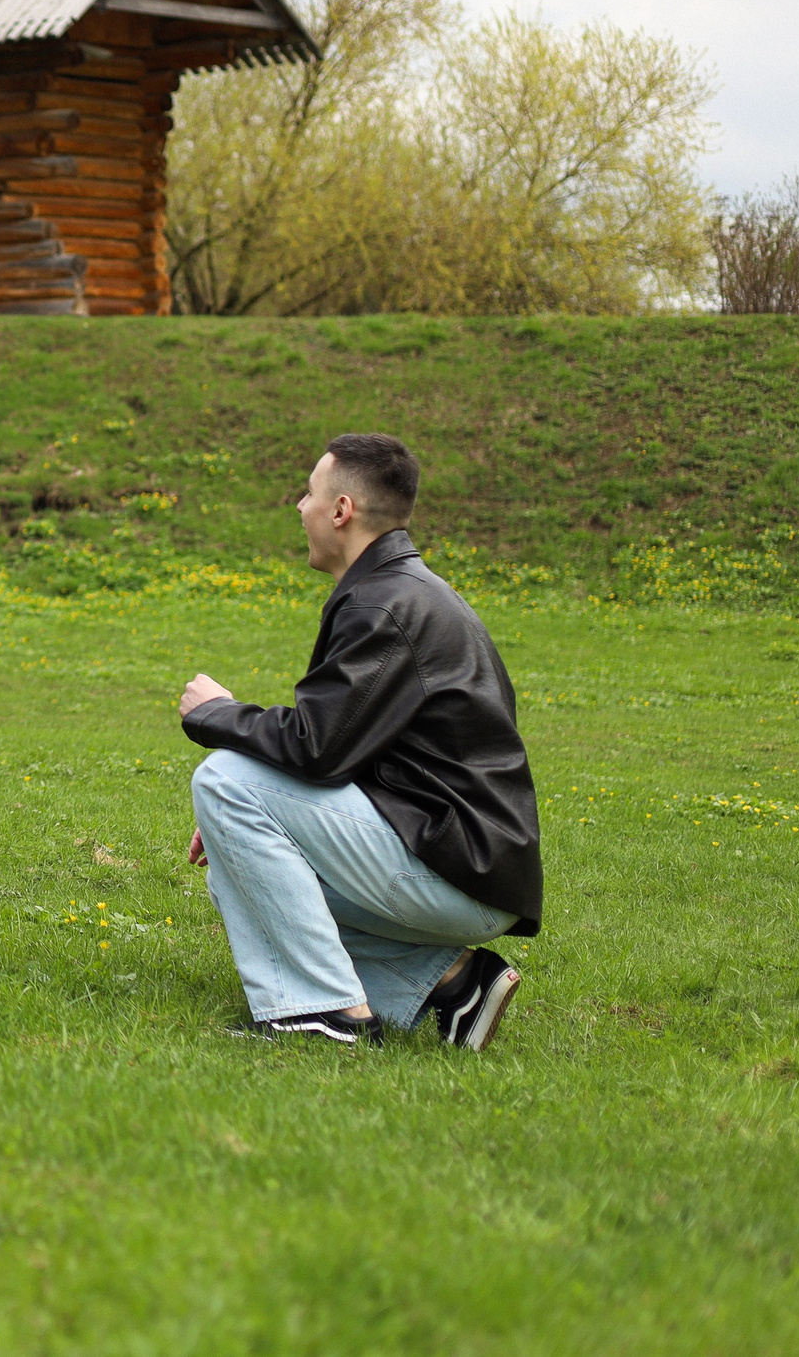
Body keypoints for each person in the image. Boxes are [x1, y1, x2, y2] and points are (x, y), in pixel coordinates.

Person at [178, 433, 540, 1048]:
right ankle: (451, 986)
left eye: (310, 493)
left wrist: (218, 715)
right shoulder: (405, 591)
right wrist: (246, 815)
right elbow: (356, 746)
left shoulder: (387, 606)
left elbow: (317, 747)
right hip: (466, 865)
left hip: (458, 870)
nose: (300, 506)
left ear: (341, 510)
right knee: (232, 868)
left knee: (222, 779)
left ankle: (320, 1014)